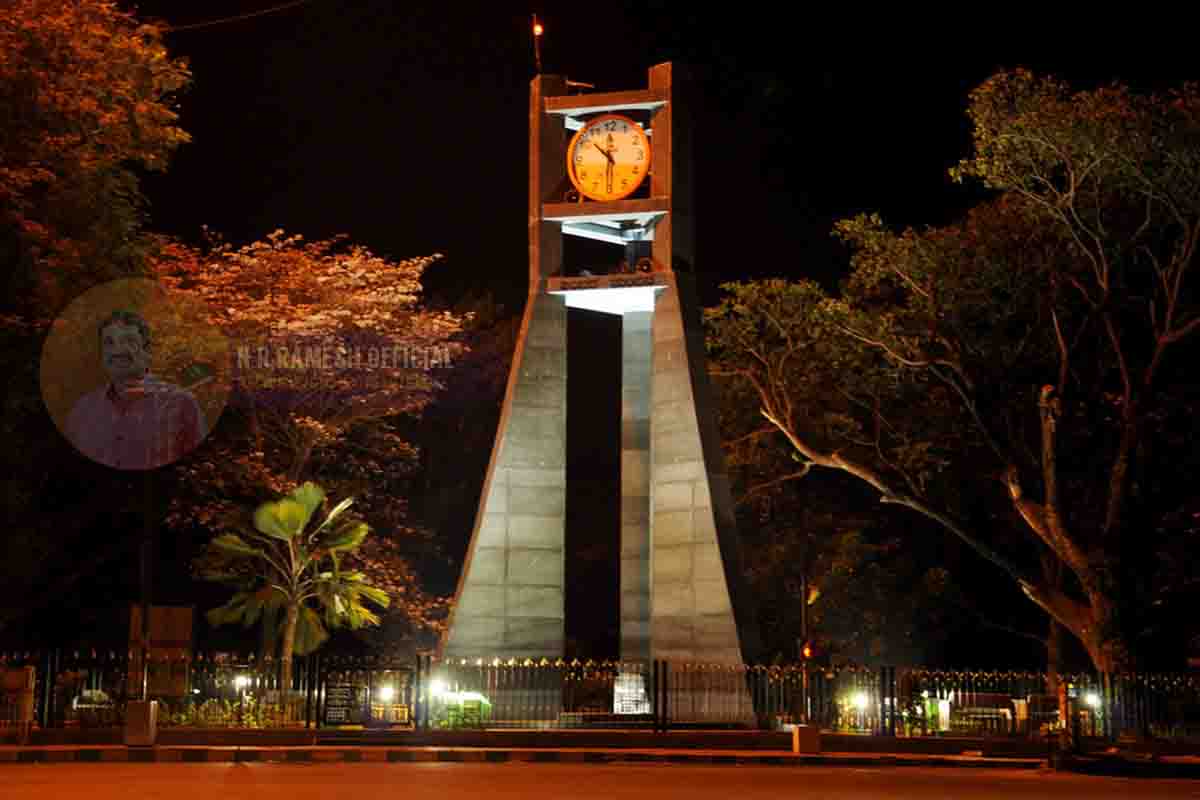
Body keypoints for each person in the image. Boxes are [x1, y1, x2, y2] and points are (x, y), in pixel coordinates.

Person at [65, 310, 207, 470]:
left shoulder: (181, 403)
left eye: (129, 341)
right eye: (109, 342)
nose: (117, 351)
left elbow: (199, 470)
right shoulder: (81, 410)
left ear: (147, 351)